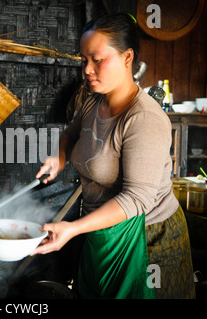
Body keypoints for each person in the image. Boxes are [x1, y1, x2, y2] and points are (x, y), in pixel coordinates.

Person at [33, 13, 195, 299]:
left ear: (127, 57)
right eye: (84, 60)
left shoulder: (143, 119)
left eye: (97, 59)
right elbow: (70, 134)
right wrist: (59, 157)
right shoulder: (92, 100)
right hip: (103, 233)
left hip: (147, 240)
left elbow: (136, 199)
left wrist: (72, 229)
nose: (87, 69)